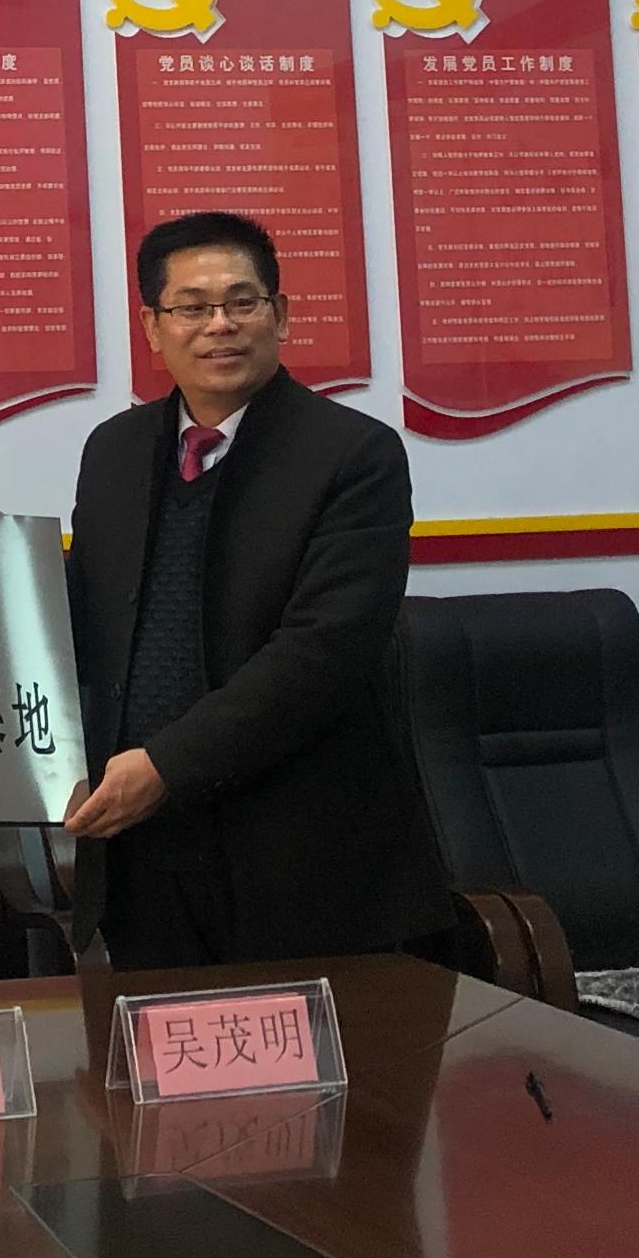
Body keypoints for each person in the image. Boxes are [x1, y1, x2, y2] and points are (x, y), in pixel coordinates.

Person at [58, 208, 454, 969]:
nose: (221, 325)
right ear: (152, 327)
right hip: (145, 861)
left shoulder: (352, 455)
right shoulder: (114, 451)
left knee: (322, 1053)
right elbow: (90, 621)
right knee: (159, 1047)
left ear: (281, 315)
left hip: (302, 858)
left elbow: (324, 653)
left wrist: (168, 766)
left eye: (243, 302)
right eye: (192, 307)